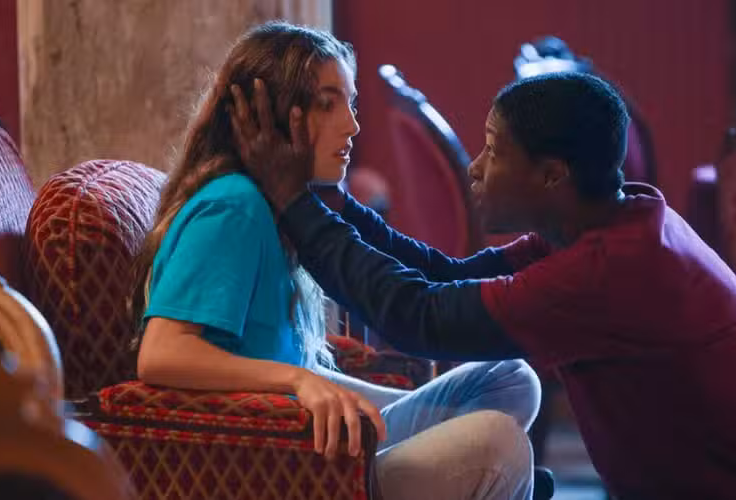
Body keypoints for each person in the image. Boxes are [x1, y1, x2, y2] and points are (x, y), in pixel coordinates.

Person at [232, 69, 736, 499]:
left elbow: (419, 317)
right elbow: (446, 276)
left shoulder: (611, 271)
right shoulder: (600, 223)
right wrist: (334, 204)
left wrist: (295, 203)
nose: (476, 168)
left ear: (553, 175)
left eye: (493, 150)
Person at [132, 22, 540, 500]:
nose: (352, 125)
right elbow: (161, 354)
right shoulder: (234, 206)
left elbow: (272, 353)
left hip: (313, 435)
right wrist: (299, 378)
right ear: (274, 117)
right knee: (500, 443)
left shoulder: (279, 206)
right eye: (328, 104)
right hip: (285, 461)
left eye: (351, 103)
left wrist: (355, 397)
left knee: (511, 380)